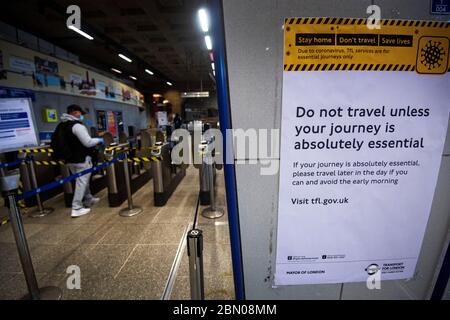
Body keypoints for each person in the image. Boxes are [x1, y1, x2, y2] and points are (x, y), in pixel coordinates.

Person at [53, 104, 104, 217]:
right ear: (75, 113)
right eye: (80, 113)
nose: (81, 116)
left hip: (69, 159)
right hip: (81, 158)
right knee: (81, 182)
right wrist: (99, 140)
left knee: (81, 180)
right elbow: (88, 142)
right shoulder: (77, 126)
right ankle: (76, 207)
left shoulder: (62, 125)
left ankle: (88, 199)